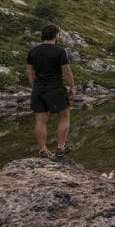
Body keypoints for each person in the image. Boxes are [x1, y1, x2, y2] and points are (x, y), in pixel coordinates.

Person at [26, 24, 76, 159]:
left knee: (40, 120)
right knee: (64, 116)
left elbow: (29, 71)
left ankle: (42, 150)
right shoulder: (59, 51)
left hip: (38, 89)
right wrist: (72, 87)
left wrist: (34, 85)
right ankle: (60, 148)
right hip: (56, 88)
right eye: (59, 34)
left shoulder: (33, 51)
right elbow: (67, 71)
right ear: (55, 35)